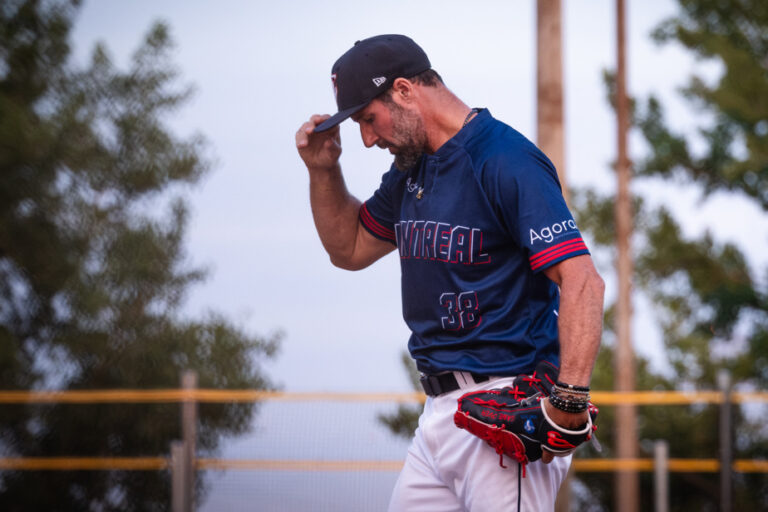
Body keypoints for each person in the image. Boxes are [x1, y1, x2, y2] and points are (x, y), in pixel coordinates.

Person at [295, 34, 604, 512]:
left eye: (368, 119)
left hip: (502, 405)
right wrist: (323, 171)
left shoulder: (504, 159)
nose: (368, 138)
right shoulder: (409, 172)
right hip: (438, 415)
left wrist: (569, 399)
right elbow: (350, 248)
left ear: (402, 90)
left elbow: (583, 280)